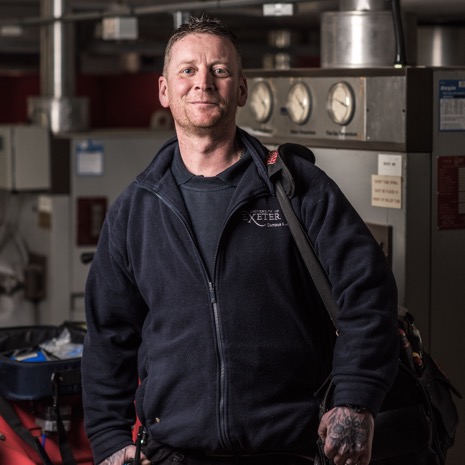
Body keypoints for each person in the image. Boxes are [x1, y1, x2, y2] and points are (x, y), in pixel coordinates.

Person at [81, 15, 399, 465]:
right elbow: (107, 336)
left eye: (220, 70)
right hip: (174, 453)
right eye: (187, 70)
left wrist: (355, 398)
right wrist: (110, 440)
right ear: (164, 90)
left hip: (291, 448)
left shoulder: (296, 187)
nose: (203, 82)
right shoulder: (135, 210)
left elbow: (367, 290)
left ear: (242, 90)